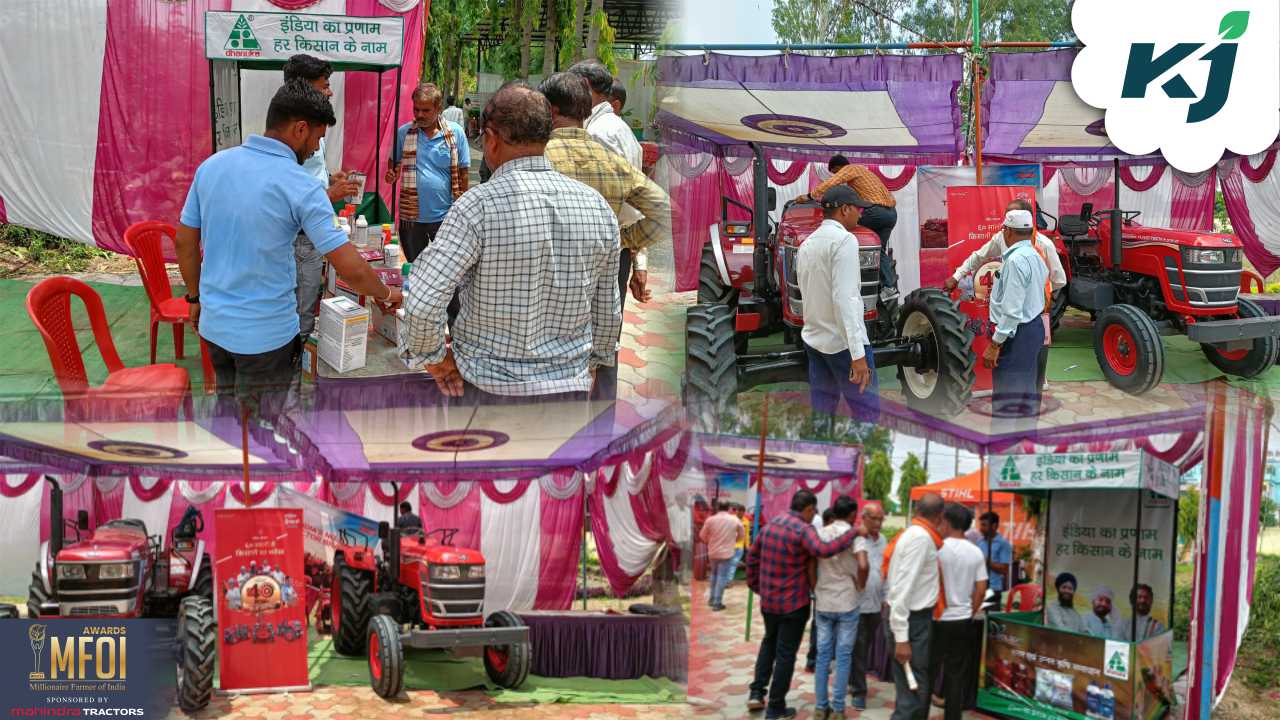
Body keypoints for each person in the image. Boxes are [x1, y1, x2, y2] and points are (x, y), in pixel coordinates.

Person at [176, 81, 401, 413]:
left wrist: (194, 297)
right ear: (300, 129)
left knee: (229, 411)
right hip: (267, 337)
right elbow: (349, 266)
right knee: (266, 426)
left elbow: (185, 242)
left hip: (215, 328)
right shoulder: (301, 185)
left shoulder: (212, 167)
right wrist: (386, 294)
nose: (314, 149)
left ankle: (236, 459)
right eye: (317, 138)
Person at [398, 82, 621, 402]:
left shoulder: (477, 207)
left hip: (486, 391)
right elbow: (607, 311)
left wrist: (434, 359)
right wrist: (593, 363)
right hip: (566, 391)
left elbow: (423, 300)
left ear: (490, 140)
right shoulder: (596, 206)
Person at [538, 71, 670, 314]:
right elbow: (665, 212)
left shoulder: (539, 157)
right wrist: (623, 241)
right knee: (604, 329)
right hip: (606, 257)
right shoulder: (620, 138)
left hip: (554, 264)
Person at [746, 490, 863, 719]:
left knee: (768, 643)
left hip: (769, 603)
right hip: (793, 604)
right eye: (813, 512)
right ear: (808, 508)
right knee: (786, 654)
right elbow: (823, 550)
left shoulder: (770, 525)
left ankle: (756, 693)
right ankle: (775, 708)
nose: (813, 516)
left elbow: (752, 557)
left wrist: (757, 586)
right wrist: (853, 533)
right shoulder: (803, 529)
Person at [281, 54, 362, 340]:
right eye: (324, 85)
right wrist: (329, 194)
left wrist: (331, 178)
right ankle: (295, 370)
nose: (329, 91)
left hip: (312, 234)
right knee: (300, 311)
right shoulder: (292, 134)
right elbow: (289, 196)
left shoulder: (314, 126)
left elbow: (307, 176)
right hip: (301, 237)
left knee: (307, 303)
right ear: (304, 87)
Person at [946, 197, 1063, 392]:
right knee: (1022, 376)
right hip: (1016, 319)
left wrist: (1035, 293)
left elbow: (1059, 280)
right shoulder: (1002, 238)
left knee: (1032, 371)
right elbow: (979, 256)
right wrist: (957, 276)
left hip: (1037, 316)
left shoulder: (1043, 245)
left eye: (1010, 216)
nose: (1005, 222)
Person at [796, 185, 880, 425]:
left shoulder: (807, 245)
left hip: (815, 341)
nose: (860, 214)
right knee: (867, 418)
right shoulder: (845, 241)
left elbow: (807, 294)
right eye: (857, 209)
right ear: (845, 209)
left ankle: (824, 459)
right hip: (843, 345)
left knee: (822, 418)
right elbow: (846, 300)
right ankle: (868, 462)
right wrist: (858, 355)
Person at [568, 61, 650, 306]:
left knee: (591, 329)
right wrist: (639, 261)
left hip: (596, 250)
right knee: (608, 324)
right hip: (617, 246)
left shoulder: (596, 134)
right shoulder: (621, 131)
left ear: (585, 87)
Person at [385, 83, 470, 263]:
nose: (420, 115)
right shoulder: (404, 133)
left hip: (445, 217)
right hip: (411, 219)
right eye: (416, 110)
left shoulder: (455, 133)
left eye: (426, 110)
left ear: (438, 109)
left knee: (446, 269)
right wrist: (392, 173)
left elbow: (463, 173)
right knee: (415, 267)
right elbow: (393, 164)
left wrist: (462, 207)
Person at [800, 154, 899, 307]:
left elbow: (833, 184)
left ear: (838, 168)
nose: (836, 175)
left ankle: (846, 277)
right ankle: (889, 287)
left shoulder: (850, 169)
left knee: (842, 228)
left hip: (875, 212)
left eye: (835, 172)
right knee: (879, 251)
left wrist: (809, 196)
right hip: (891, 214)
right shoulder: (866, 174)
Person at [882, 492, 946, 720]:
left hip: (911, 618)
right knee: (913, 693)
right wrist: (901, 637)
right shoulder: (921, 539)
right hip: (910, 620)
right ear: (940, 517)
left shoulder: (914, 534)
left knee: (912, 687)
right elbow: (902, 588)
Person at [982, 209, 1050, 418]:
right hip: (1033, 329)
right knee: (1027, 394)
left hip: (1017, 335)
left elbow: (1012, 312)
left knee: (1007, 400)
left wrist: (995, 345)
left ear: (1008, 232)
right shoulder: (1036, 255)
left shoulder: (1014, 261)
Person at [929, 503, 988, 720]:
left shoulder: (938, 548)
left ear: (946, 521)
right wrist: (971, 611)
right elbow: (981, 589)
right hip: (963, 620)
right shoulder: (976, 552)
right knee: (956, 675)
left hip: (937, 618)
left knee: (929, 671)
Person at [812, 497, 864, 720]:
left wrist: (816, 586)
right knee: (843, 656)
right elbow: (863, 564)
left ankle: (820, 707)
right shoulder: (855, 535)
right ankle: (838, 709)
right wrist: (860, 585)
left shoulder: (821, 533)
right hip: (847, 602)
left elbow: (810, 563)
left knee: (823, 655)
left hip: (824, 600)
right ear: (853, 514)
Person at [849, 503, 887, 710]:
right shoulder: (855, 538)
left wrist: (886, 597)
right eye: (874, 519)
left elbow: (884, 569)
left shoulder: (883, 540)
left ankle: (851, 679)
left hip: (876, 604)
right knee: (859, 648)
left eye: (881, 519)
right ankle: (859, 692)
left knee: (863, 646)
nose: (878, 523)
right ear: (863, 517)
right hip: (856, 603)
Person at [699, 500, 745, 611]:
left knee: (714, 576)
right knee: (721, 577)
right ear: (728, 508)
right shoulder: (735, 520)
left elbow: (702, 536)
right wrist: (733, 541)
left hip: (713, 552)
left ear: (717, 507)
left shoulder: (710, 520)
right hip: (727, 553)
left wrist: (710, 542)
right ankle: (717, 602)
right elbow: (741, 536)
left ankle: (711, 599)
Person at [972, 511, 1013, 608]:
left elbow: (1004, 569)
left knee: (990, 619)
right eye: (980, 525)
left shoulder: (1003, 544)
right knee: (978, 620)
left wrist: (987, 562)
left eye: (984, 525)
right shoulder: (979, 542)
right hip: (978, 587)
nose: (980, 528)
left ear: (994, 526)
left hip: (993, 588)